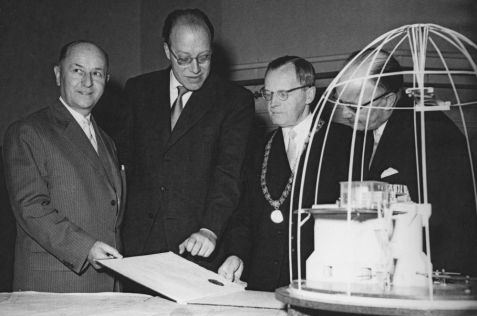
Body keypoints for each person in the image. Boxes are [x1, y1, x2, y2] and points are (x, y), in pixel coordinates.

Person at [120, 8, 254, 274]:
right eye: (184, 58)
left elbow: (230, 173)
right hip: (140, 247)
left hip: (200, 247)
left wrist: (210, 229)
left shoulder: (234, 101)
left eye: (204, 58)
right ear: (167, 51)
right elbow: (124, 166)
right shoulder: (138, 91)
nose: (195, 69)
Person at [331, 48, 477, 275]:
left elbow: (455, 222)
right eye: (341, 102)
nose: (345, 113)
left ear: (389, 100)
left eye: (355, 106)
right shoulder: (360, 131)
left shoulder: (431, 132)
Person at [218, 56, 352, 291]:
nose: (273, 103)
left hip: (322, 281)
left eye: (283, 94)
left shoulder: (344, 142)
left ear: (309, 95)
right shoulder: (258, 147)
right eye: (268, 94)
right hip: (265, 283)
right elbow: (244, 216)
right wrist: (236, 254)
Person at [2, 40, 125, 292]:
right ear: (58, 74)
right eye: (77, 70)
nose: (87, 82)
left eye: (97, 73)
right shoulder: (28, 132)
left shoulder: (108, 141)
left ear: (107, 80)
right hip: (56, 286)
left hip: (106, 287)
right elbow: (31, 209)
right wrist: (86, 248)